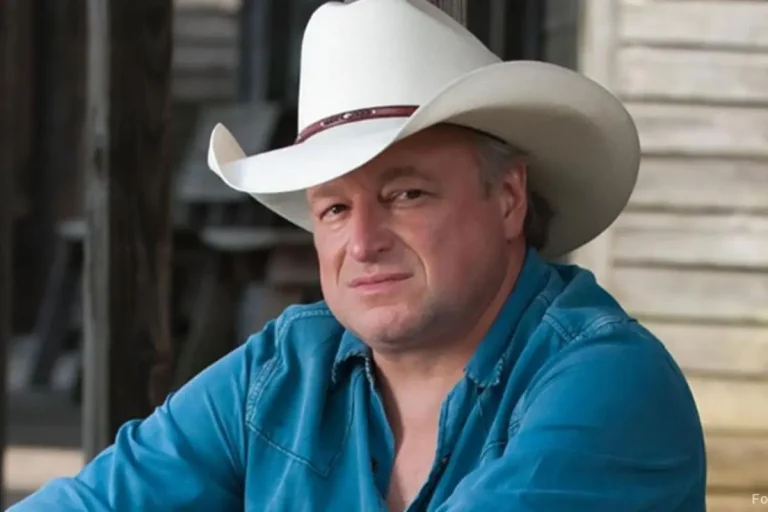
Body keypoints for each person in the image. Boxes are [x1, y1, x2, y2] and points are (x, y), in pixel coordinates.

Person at [11, 0, 707, 510]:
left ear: (507, 198)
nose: (363, 242)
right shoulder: (285, 367)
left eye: (405, 193)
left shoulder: (607, 382)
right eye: (335, 209)